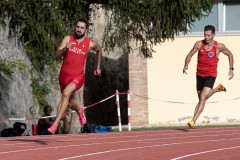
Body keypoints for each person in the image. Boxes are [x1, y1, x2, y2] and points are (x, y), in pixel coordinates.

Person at [48, 19, 102, 134]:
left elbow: (99, 50)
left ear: (85, 30)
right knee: (68, 102)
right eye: (78, 27)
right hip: (63, 77)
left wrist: (97, 67)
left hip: (77, 77)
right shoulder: (68, 39)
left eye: (82, 28)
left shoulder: (90, 43)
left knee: (66, 94)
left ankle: (55, 124)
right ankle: (79, 109)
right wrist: (64, 49)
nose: (79, 29)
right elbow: (55, 56)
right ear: (75, 27)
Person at [183, 25, 234, 128]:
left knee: (202, 97)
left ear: (213, 35)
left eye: (208, 35)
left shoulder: (218, 46)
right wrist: (186, 65)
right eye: (205, 35)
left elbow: (230, 55)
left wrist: (231, 69)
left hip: (210, 75)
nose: (206, 37)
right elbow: (189, 55)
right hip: (199, 75)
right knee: (201, 98)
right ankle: (217, 89)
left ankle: (193, 120)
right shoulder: (199, 44)